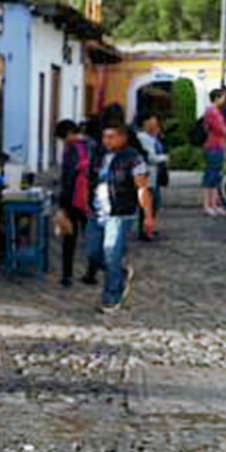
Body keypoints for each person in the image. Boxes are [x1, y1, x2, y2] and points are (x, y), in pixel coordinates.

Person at [83, 119, 155, 311]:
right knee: (93, 253)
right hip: (97, 212)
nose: (107, 140)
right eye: (104, 136)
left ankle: (111, 297)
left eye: (112, 137)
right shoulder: (98, 155)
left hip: (120, 213)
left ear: (123, 137)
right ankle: (120, 273)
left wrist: (148, 217)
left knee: (111, 254)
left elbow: (142, 189)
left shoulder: (134, 158)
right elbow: (89, 181)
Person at [56, 119, 94, 287]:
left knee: (69, 237)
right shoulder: (92, 145)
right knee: (92, 237)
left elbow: (68, 177)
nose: (63, 142)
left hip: (73, 199)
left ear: (69, 134)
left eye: (63, 138)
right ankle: (91, 274)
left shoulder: (71, 149)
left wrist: (62, 203)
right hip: (91, 198)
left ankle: (67, 276)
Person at [135, 112, 169, 241]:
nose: (155, 124)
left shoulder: (150, 137)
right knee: (150, 203)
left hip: (152, 174)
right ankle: (145, 230)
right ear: (145, 122)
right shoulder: (144, 137)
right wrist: (165, 158)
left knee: (153, 202)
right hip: (148, 173)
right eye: (152, 121)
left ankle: (148, 228)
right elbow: (150, 157)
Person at [201, 88, 226, 217]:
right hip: (214, 146)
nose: (224, 100)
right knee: (211, 176)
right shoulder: (212, 112)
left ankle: (214, 204)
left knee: (216, 176)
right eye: (223, 97)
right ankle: (208, 205)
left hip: (218, 146)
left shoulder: (214, 111)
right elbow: (222, 129)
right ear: (217, 98)